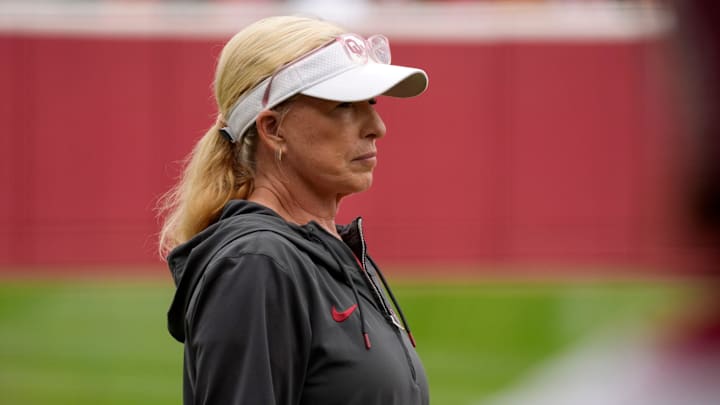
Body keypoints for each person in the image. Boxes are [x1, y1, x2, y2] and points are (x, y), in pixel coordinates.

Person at [157, 15, 430, 405]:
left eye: (370, 102)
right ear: (272, 128)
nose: (377, 126)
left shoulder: (318, 253)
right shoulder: (257, 264)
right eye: (344, 105)